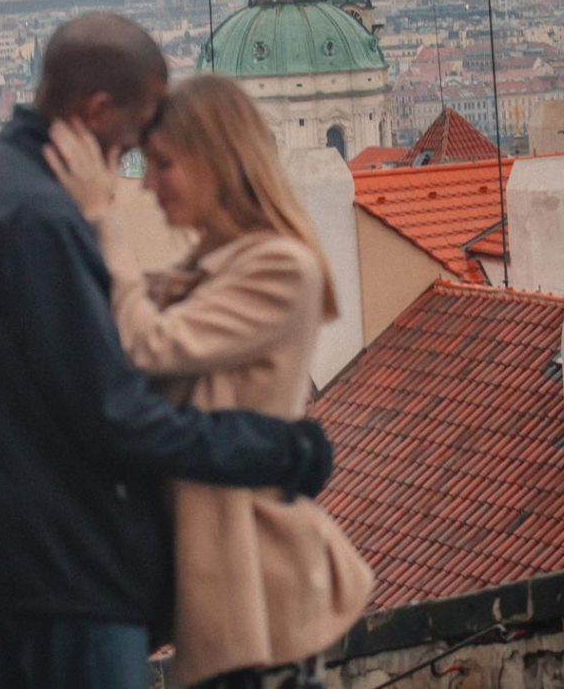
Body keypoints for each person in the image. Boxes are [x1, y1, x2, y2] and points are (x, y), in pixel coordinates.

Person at [0, 13, 338, 689]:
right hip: (67, 565)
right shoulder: (41, 216)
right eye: (137, 141)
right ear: (97, 110)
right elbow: (114, 410)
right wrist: (279, 451)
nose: (136, 170)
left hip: (24, 560)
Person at [47, 73, 374, 687]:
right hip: (221, 575)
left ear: (215, 162)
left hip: (262, 580)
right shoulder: (203, 271)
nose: (148, 183)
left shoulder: (282, 268)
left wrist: (104, 219)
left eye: (162, 165)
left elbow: (146, 344)